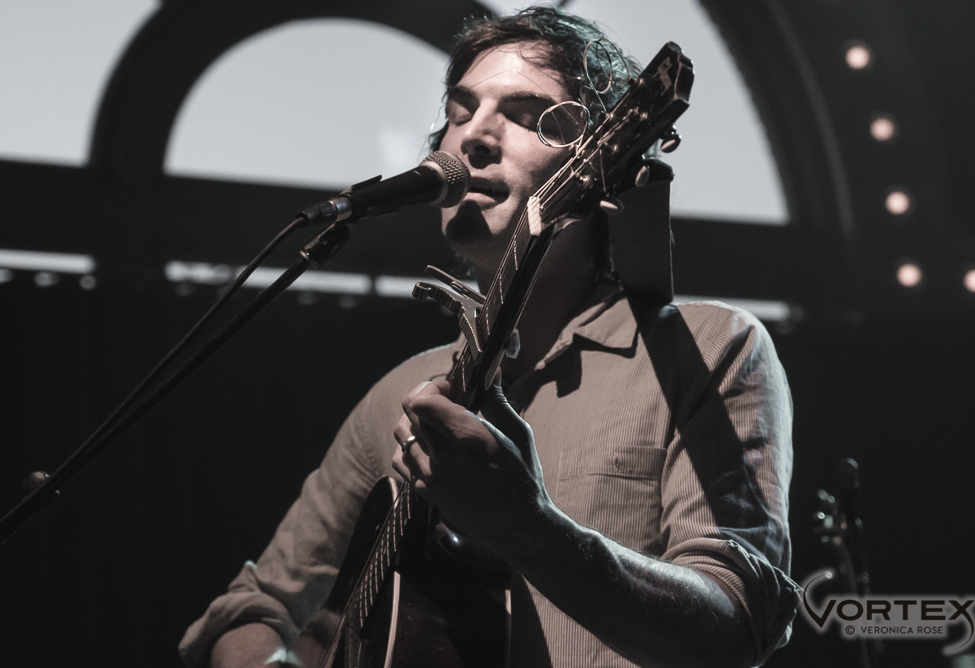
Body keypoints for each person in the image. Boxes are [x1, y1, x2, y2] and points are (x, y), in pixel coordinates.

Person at [180, 7, 799, 668]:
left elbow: (733, 630)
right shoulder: (399, 394)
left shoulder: (710, 349)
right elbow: (253, 608)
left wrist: (529, 527)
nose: (473, 135)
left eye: (528, 115)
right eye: (460, 110)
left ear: (605, 168)